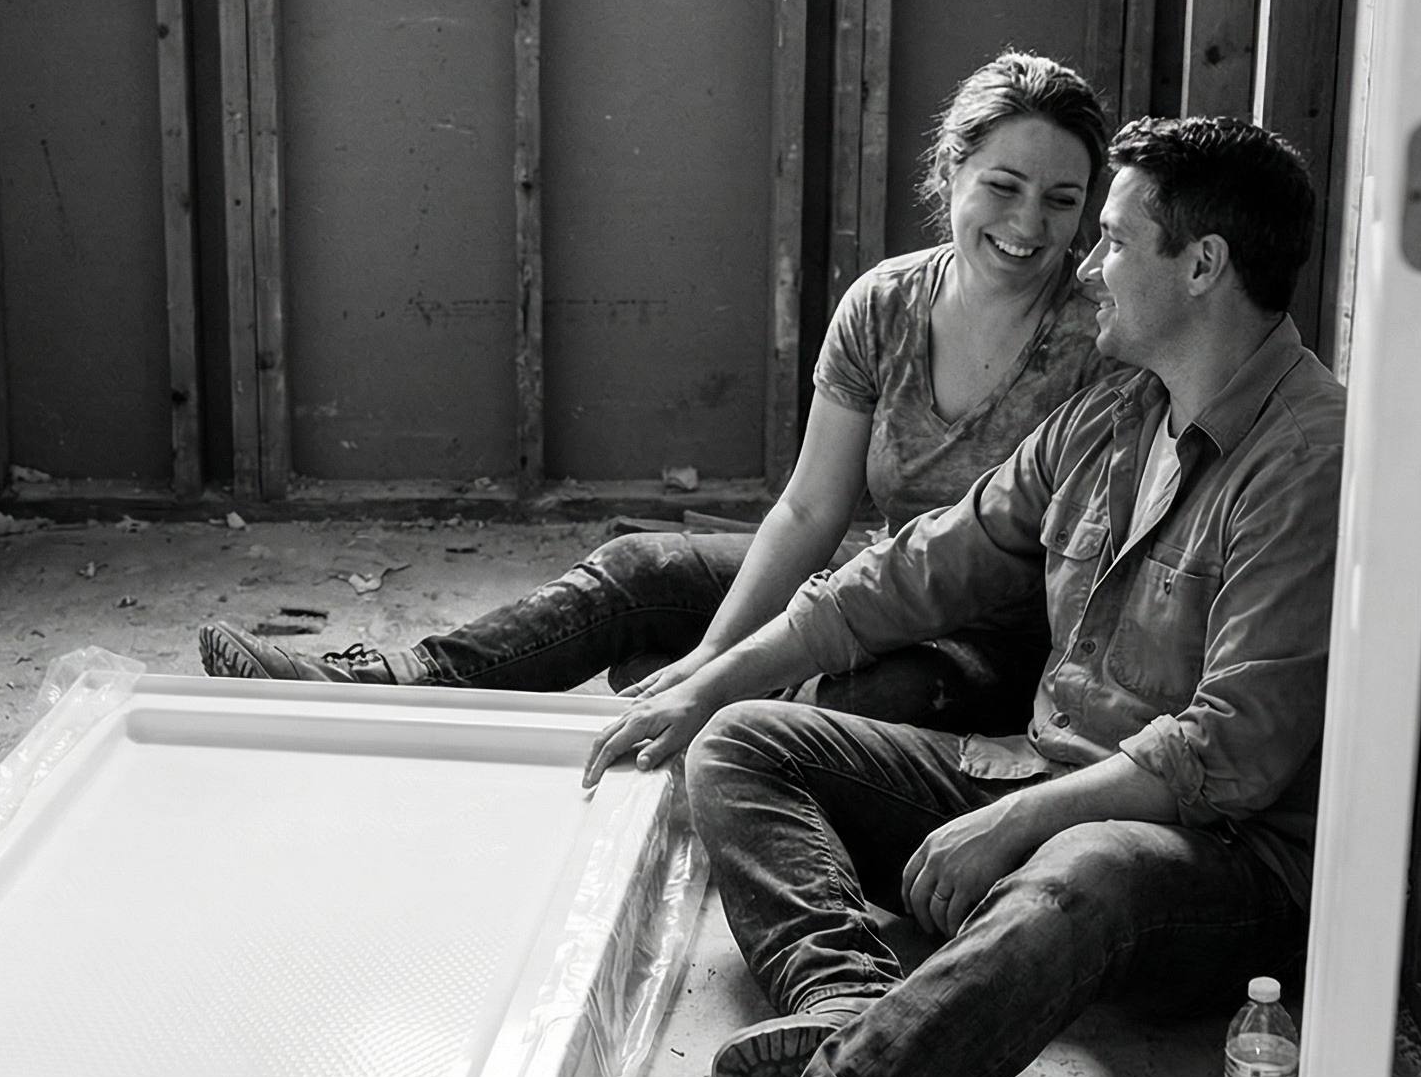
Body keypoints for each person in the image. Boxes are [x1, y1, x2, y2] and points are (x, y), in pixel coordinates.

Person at [581, 115, 1342, 1077]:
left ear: (1200, 266)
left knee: (1086, 861)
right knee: (741, 744)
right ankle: (854, 1002)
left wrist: (1015, 821)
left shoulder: (1307, 456)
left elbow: (1229, 753)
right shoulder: (1114, 410)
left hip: (1205, 861)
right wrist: (706, 679)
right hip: (1049, 774)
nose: (1082, 263)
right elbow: (916, 566)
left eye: (1110, 238)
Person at [198, 50, 1113, 732]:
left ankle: (720, 704)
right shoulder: (885, 303)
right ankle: (402, 680)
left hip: (985, 648)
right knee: (642, 571)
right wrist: (723, 651)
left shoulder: (1099, 341)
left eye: (1063, 201)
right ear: (950, 171)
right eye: (1003, 185)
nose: (1029, 224)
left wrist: (731, 662)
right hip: (863, 593)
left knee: (857, 700)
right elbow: (808, 511)